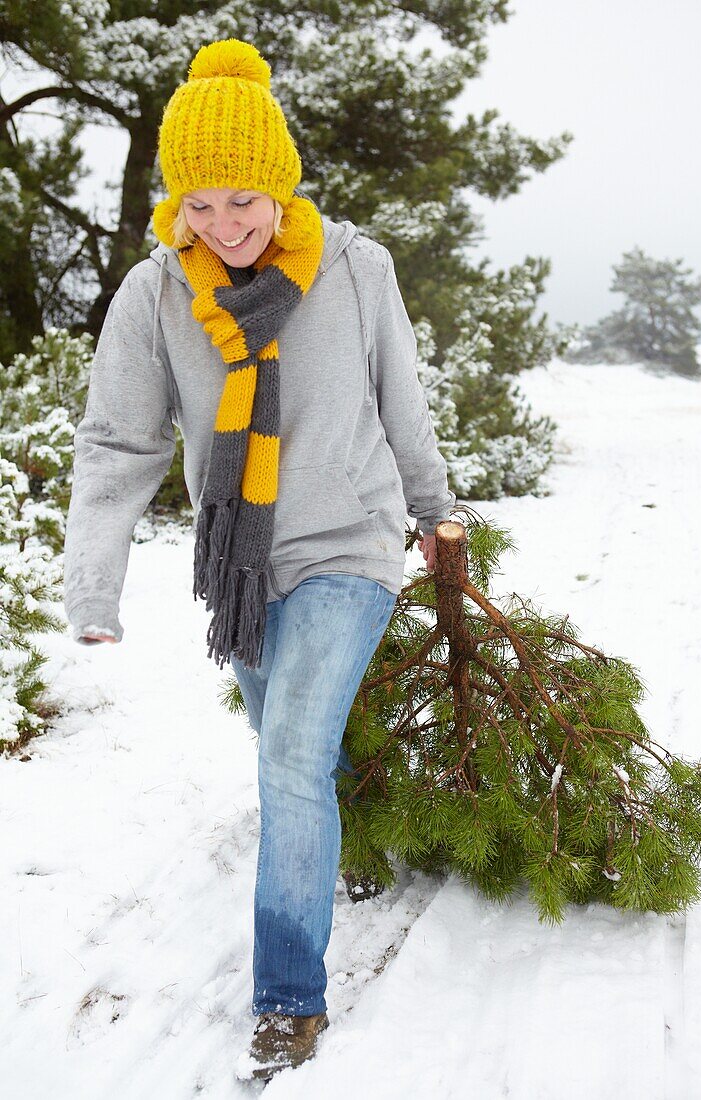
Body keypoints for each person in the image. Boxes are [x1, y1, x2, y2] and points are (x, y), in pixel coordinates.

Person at [62, 37, 456, 1082]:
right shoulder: (156, 295)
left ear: (278, 185)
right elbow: (118, 442)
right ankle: (346, 843)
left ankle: (288, 998)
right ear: (175, 204)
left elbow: (400, 403)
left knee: (287, 756)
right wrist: (93, 583)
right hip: (240, 566)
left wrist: (434, 514)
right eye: (200, 205)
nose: (225, 225)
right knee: (294, 749)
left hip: (347, 547)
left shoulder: (356, 268)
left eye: (242, 200)